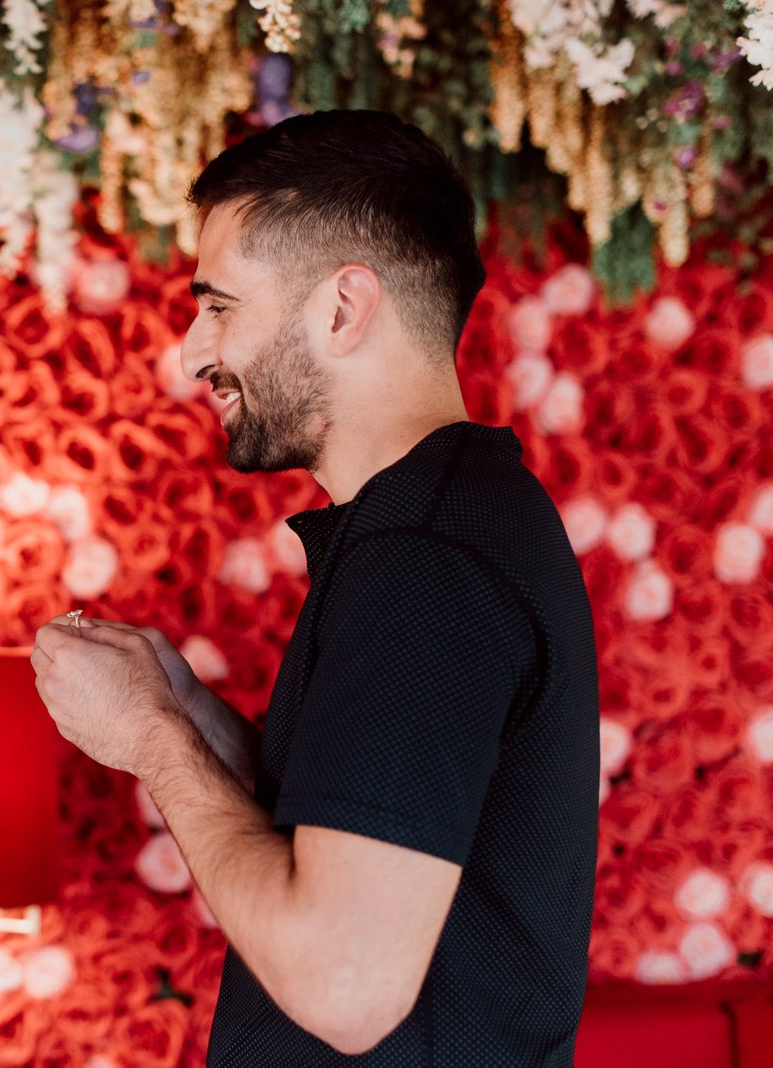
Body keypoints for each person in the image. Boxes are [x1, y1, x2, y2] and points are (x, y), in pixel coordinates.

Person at [31, 110, 598, 1065]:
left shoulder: (425, 557)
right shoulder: (437, 522)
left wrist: (156, 743)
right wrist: (190, 714)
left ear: (342, 309)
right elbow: (365, 839)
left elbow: (347, 987)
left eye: (218, 305)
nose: (192, 352)